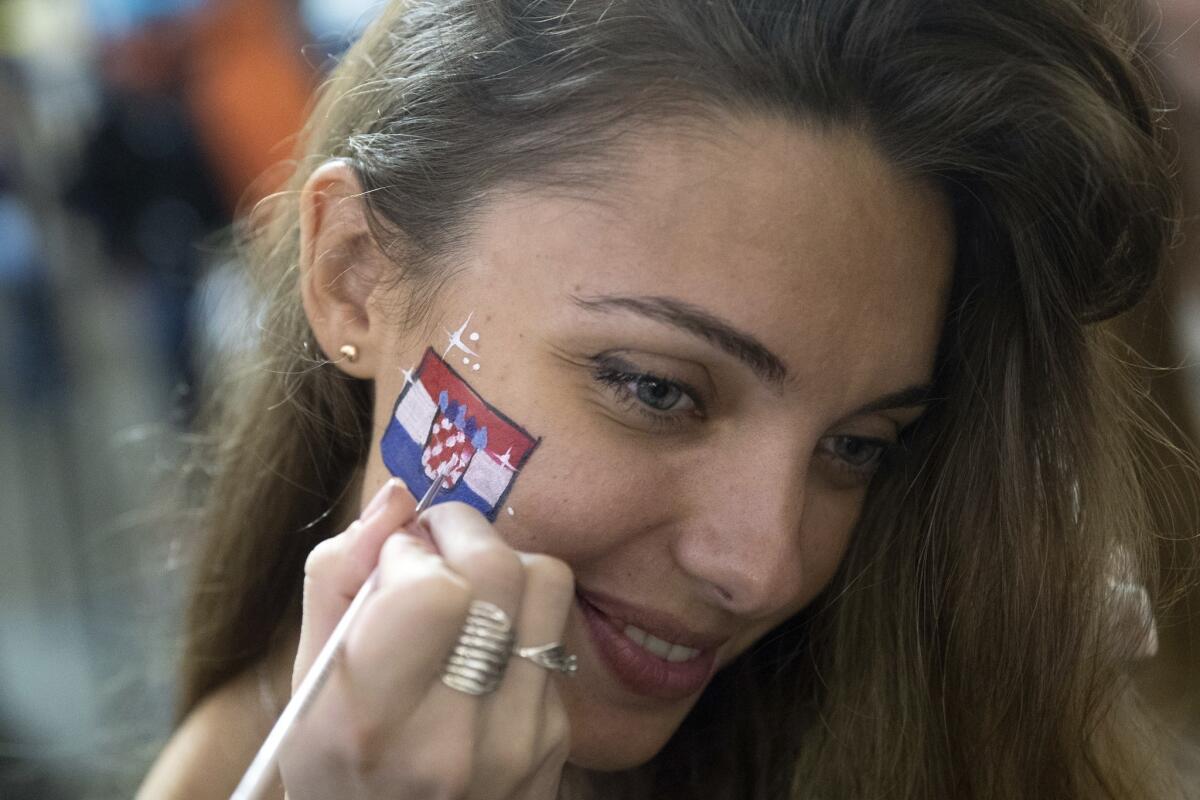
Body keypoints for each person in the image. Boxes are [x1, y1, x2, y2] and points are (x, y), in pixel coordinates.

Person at [138, 0, 1196, 797]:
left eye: (859, 446)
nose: (762, 565)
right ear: (355, 275)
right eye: (656, 388)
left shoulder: (902, 711)